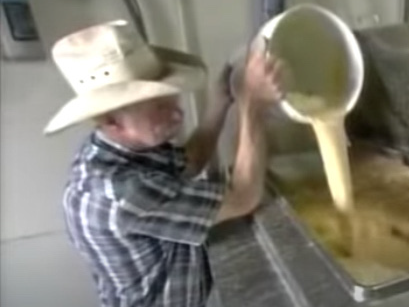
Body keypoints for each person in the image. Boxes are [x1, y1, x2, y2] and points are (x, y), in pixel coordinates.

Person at [43, 20, 283, 307]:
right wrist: (253, 106)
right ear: (111, 121)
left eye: (172, 100)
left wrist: (221, 101)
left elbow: (189, 163)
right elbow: (244, 197)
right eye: (160, 107)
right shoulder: (122, 193)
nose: (178, 115)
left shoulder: (114, 151)